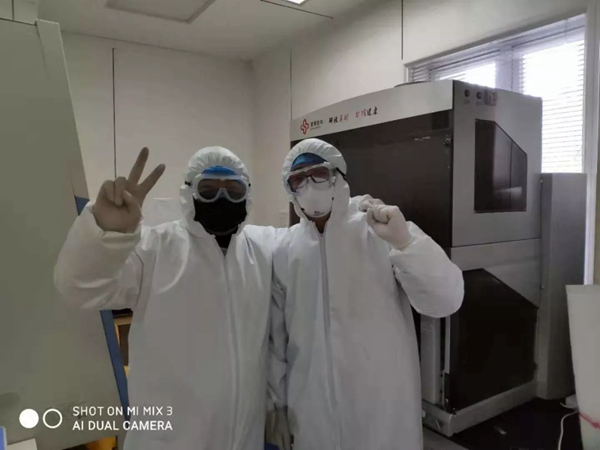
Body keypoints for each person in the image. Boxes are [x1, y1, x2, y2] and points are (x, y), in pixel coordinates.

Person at [55, 145, 376, 450]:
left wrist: (354, 212)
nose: (222, 198)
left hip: (243, 438)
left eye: (233, 190)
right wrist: (106, 233)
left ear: (247, 195)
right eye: (208, 189)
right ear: (189, 194)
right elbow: (78, 288)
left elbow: (313, 240)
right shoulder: (154, 249)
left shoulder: (263, 247)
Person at [269, 138, 465, 450]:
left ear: (337, 176)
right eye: (298, 180)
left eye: (318, 174)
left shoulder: (378, 227)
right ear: (290, 190)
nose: (309, 185)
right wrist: (277, 404)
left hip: (382, 414)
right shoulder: (285, 249)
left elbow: (446, 299)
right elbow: (278, 337)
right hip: (311, 414)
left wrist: (406, 243)